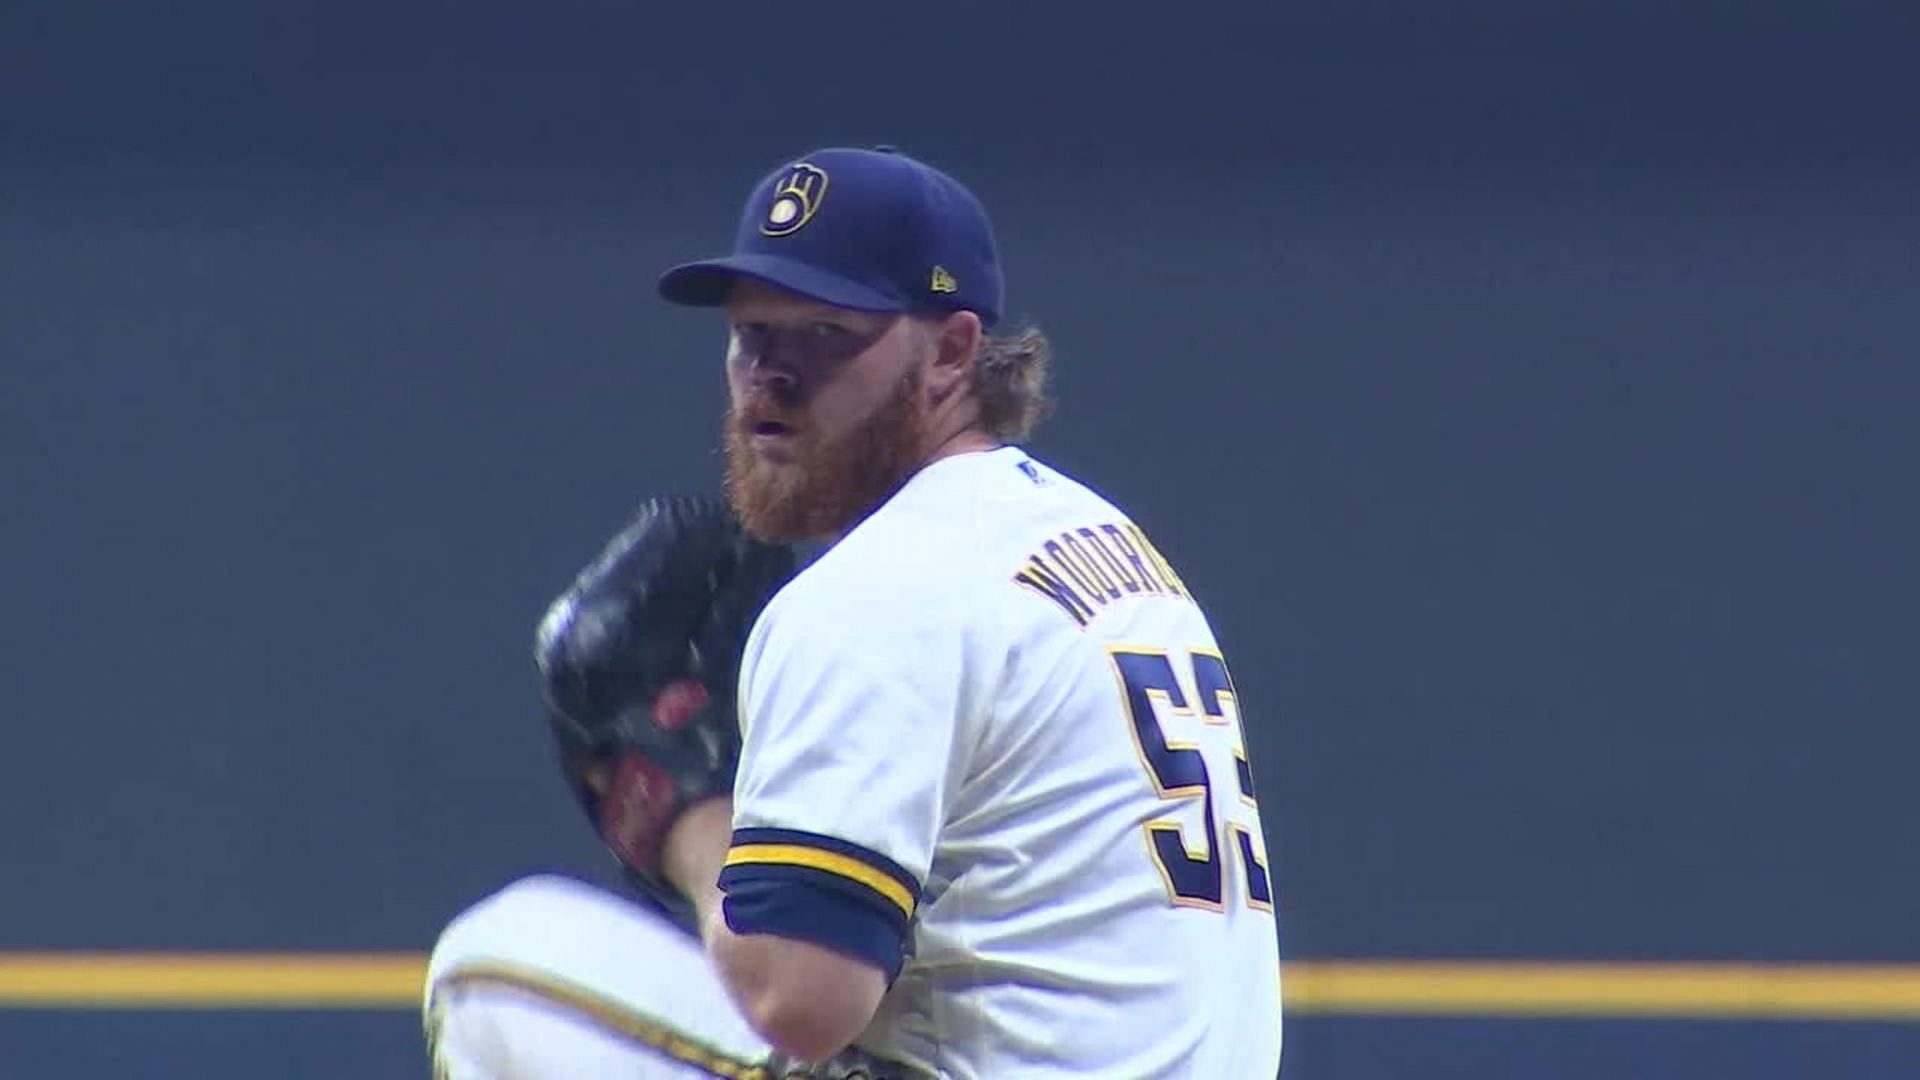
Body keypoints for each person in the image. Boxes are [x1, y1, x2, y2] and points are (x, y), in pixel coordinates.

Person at [424, 146, 1283, 1078]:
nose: (771, 373)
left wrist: (684, 815)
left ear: (952, 351)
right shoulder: (1100, 539)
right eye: (752, 332)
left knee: (497, 965)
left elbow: (801, 1000)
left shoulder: (883, 588)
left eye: (827, 332)